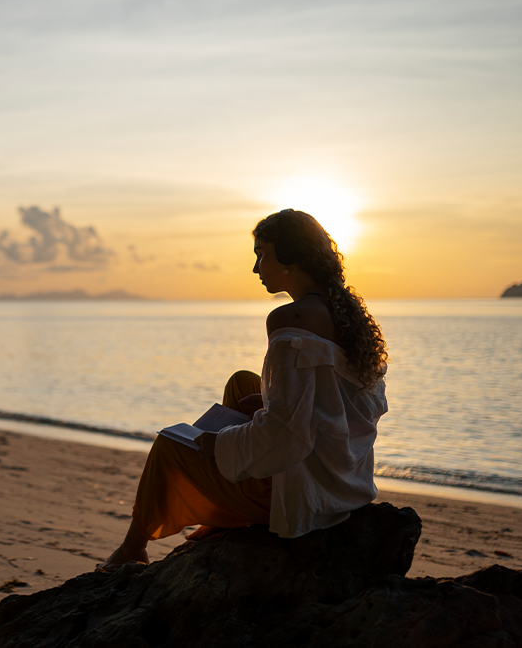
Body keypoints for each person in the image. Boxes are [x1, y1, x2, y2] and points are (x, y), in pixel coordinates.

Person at [96, 208, 389, 572]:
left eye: (261, 253)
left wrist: (219, 445)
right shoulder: (350, 315)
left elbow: (286, 435)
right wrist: (266, 403)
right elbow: (338, 403)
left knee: (169, 446)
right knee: (243, 383)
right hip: (346, 482)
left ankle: (132, 547)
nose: (256, 267)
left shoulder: (287, 319)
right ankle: (219, 517)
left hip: (306, 495)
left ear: (290, 256)